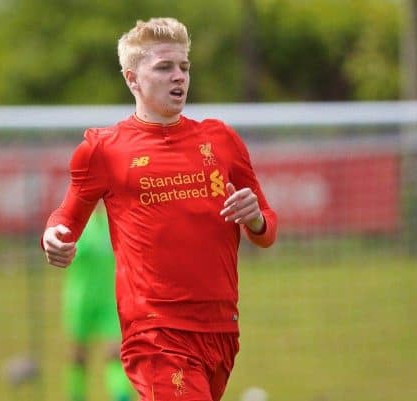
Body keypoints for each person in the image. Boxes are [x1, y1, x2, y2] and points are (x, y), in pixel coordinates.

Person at [42, 17, 277, 401]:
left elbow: (267, 230)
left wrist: (255, 217)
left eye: (184, 67)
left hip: (220, 329)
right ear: (132, 79)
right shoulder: (103, 150)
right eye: (164, 67)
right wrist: (53, 237)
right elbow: (65, 219)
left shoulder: (222, 141)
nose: (178, 77)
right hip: (154, 333)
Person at [62, 205, 135, 401]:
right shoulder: (76, 225)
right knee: (78, 356)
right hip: (80, 299)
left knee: (114, 353)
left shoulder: (118, 224)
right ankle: (77, 396)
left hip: (109, 299)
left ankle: (121, 397)